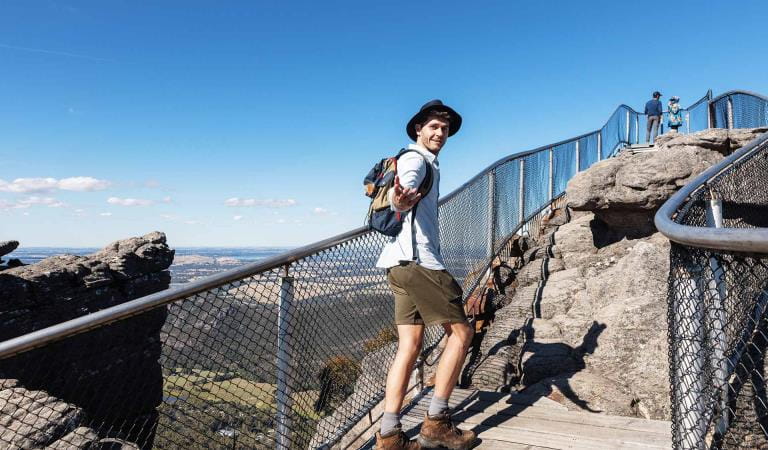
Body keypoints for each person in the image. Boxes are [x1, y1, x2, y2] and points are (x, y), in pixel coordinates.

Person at [374, 100, 477, 450]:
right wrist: (400, 203)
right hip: (420, 263)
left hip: (396, 264)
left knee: (409, 346)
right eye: (433, 127)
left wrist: (399, 201)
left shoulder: (414, 159)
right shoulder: (416, 160)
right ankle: (436, 423)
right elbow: (402, 193)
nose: (440, 133)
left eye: (445, 129)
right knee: (462, 333)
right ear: (418, 128)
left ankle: (389, 435)